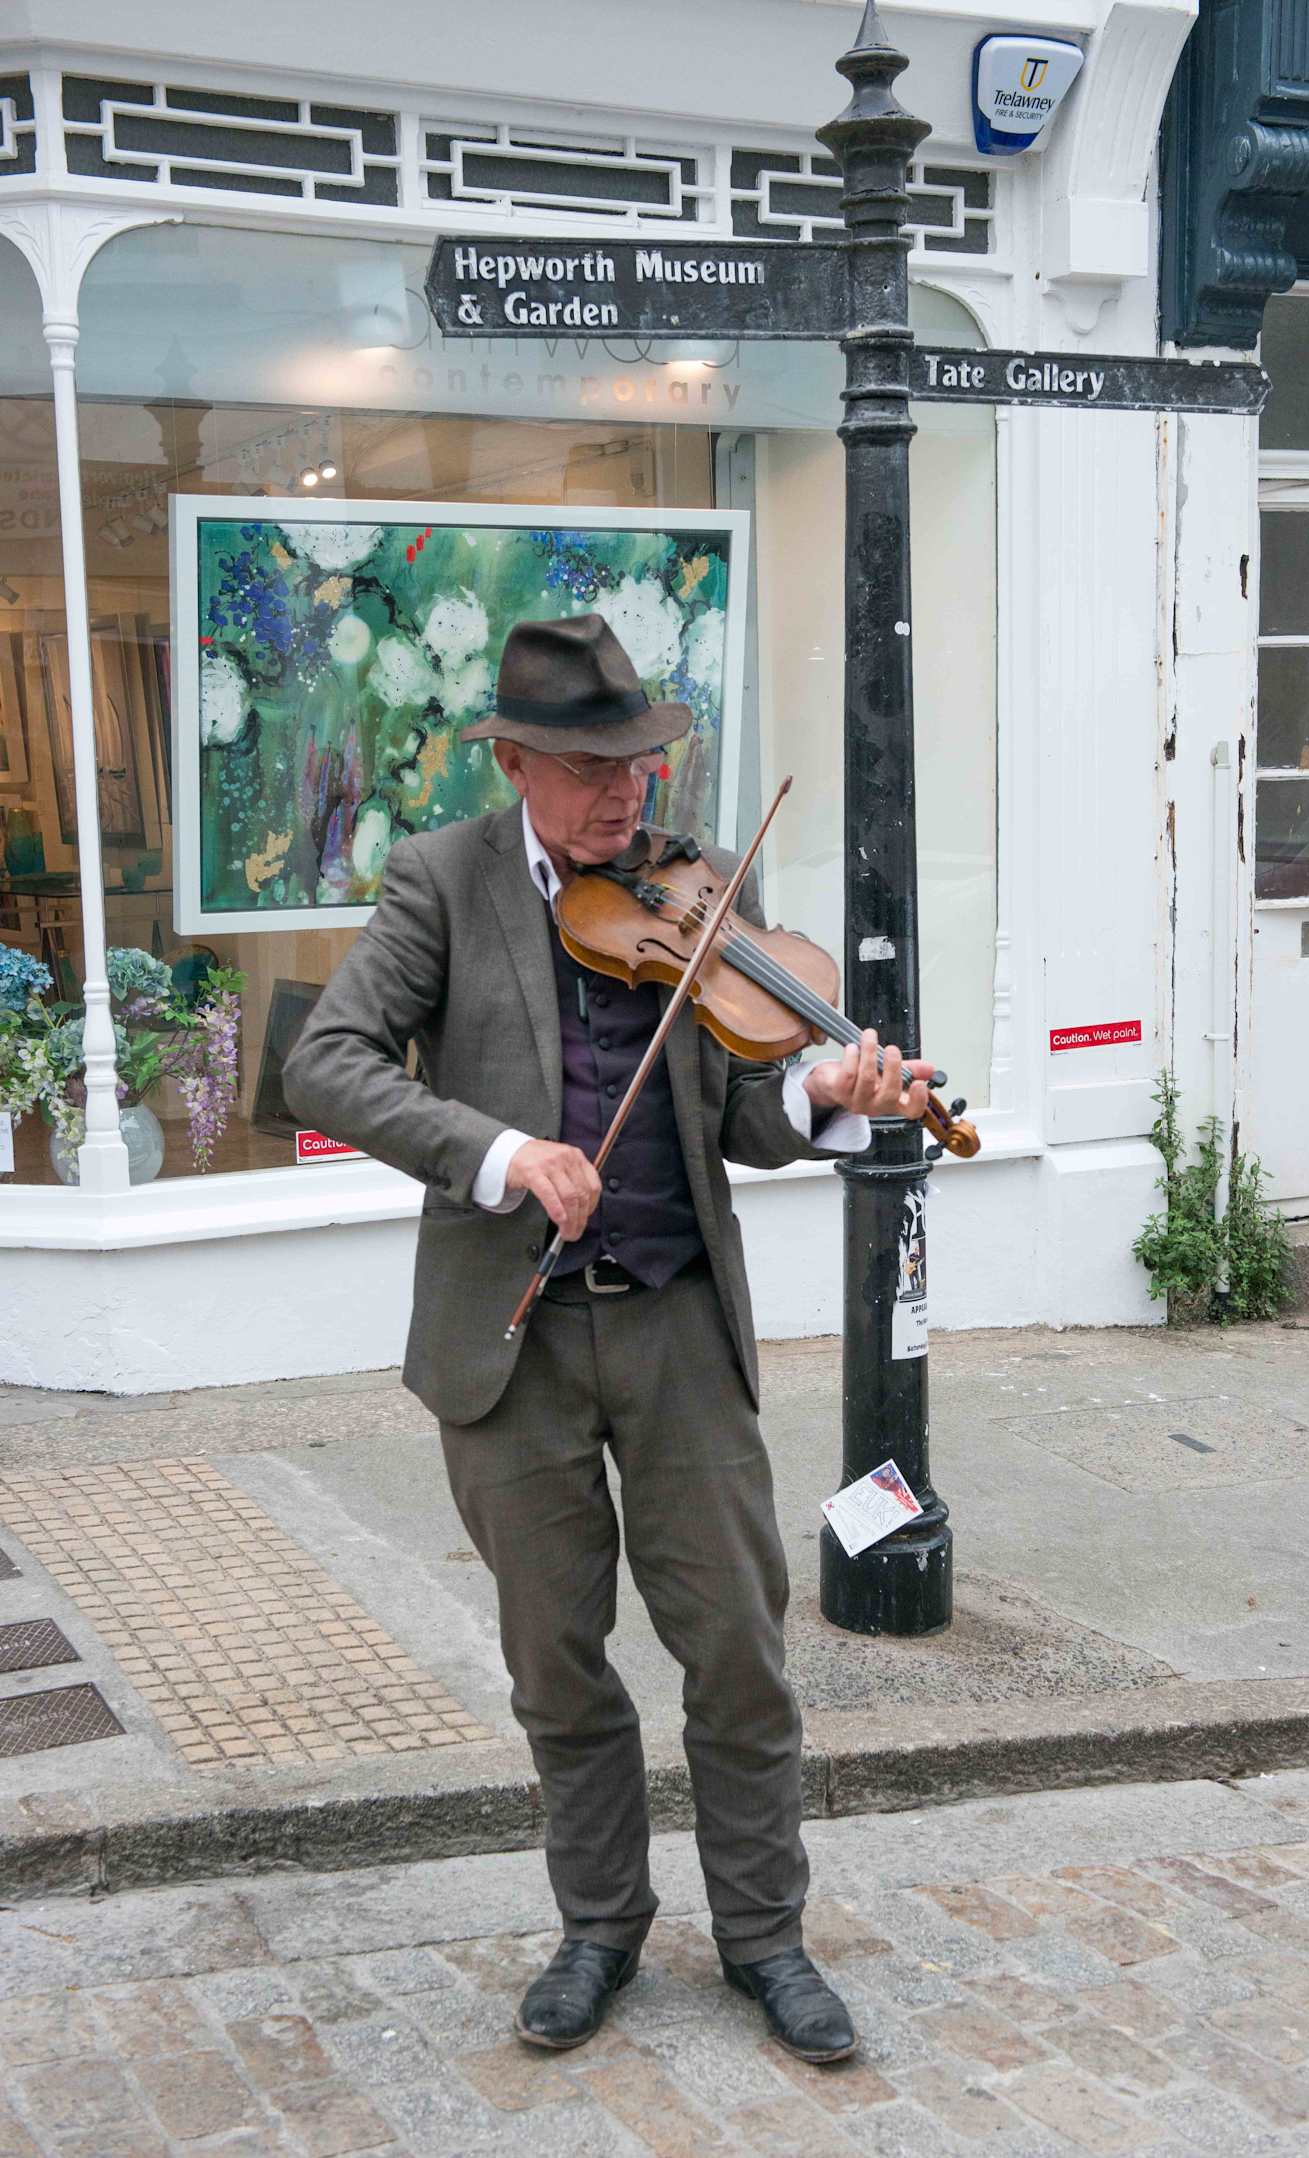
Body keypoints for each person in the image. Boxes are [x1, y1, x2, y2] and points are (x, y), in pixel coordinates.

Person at [284, 613, 936, 2062]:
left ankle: (765, 1934)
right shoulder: (439, 882)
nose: (623, 796)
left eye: (637, 764)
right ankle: (601, 1925)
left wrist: (835, 1091)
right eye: (587, 770)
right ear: (514, 760)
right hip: (509, 1344)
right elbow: (322, 1060)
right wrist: (502, 1151)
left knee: (741, 1652)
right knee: (559, 1664)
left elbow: (750, 1116)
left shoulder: (702, 883)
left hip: (677, 1324)